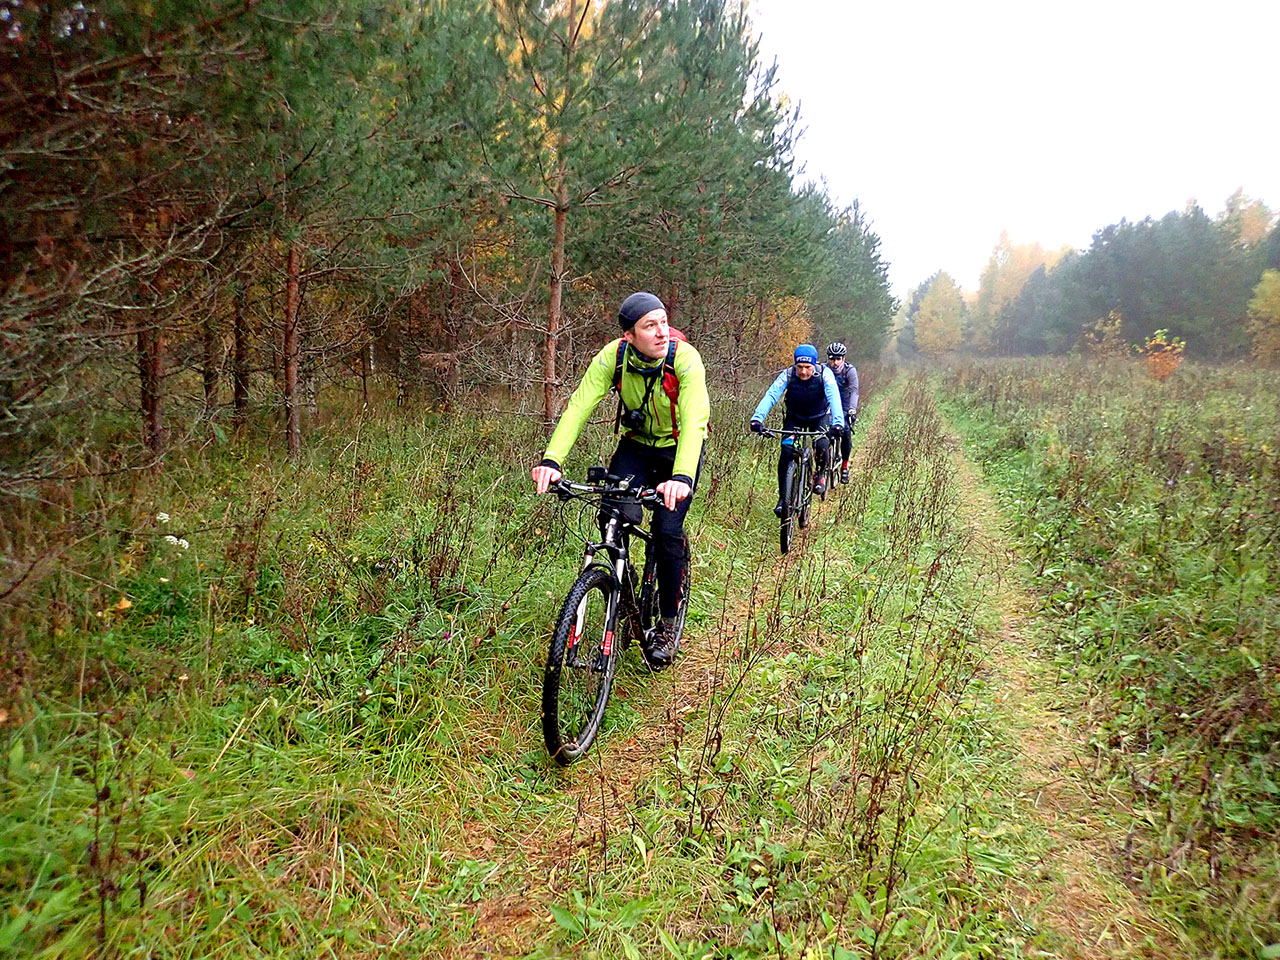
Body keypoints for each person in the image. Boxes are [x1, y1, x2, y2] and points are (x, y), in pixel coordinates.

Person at [531, 292, 710, 670]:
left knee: (666, 531)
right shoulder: (613, 358)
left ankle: (666, 624)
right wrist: (552, 460)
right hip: (637, 446)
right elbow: (579, 406)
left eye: (664, 322)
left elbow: (696, 419)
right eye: (650, 326)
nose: (662, 332)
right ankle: (624, 588)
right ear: (629, 336)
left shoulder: (685, 359)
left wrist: (681, 477)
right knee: (611, 516)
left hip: (679, 448)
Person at [749, 344, 844, 513]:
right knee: (786, 452)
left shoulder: (825, 374)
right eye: (799, 367)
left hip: (819, 417)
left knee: (822, 445)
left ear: (814, 365)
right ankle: (783, 498)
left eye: (808, 367)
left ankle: (821, 474)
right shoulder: (788, 374)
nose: (803, 372)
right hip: (794, 418)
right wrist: (757, 419)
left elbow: (834, 397)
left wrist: (838, 423)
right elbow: (771, 395)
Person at [825, 341, 859, 483]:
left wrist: (852, 409)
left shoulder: (849, 371)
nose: (835, 362)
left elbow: (854, 391)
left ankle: (844, 466)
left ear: (843, 359)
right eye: (832, 359)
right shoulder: (824, 369)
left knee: (846, 432)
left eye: (838, 359)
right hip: (827, 404)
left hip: (844, 405)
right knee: (822, 432)